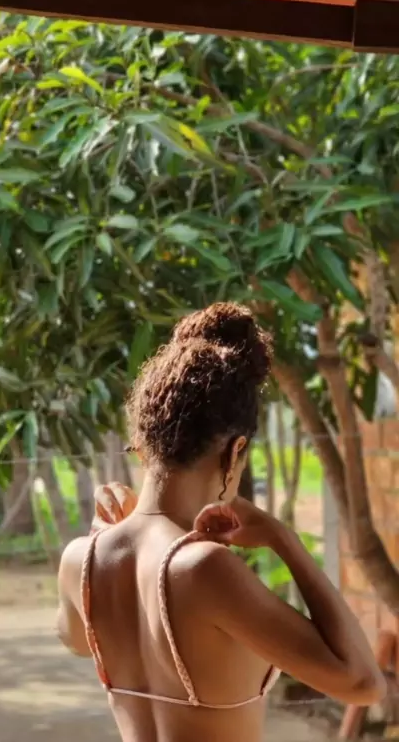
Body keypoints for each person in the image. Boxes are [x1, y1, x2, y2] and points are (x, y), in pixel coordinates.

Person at [57, 302, 386, 742]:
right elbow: (364, 684)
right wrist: (284, 540)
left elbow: (77, 640)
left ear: (142, 441)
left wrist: (105, 534)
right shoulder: (203, 570)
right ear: (236, 451)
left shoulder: (79, 560)